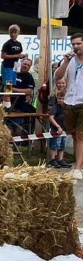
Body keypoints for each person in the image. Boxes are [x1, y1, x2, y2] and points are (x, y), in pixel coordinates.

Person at [54, 33, 83, 179]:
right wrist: (65, 62)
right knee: (73, 134)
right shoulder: (70, 60)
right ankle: (80, 165)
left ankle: (77, 168)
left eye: (79, 44)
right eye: (73, 44)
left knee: (80, 135)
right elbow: (57, 77)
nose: (76, 47)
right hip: (70, 101)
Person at [46, 77, 68, 168]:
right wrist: (58, 126)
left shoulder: (67, 107)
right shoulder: (55, 105)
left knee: (62, 145)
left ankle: (60, 159)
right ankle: (53, 159)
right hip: (56, 128)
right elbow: (51, 116)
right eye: (60, 98)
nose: (61, 100)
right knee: (55, 144)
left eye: (63, 98)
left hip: (64, 128)